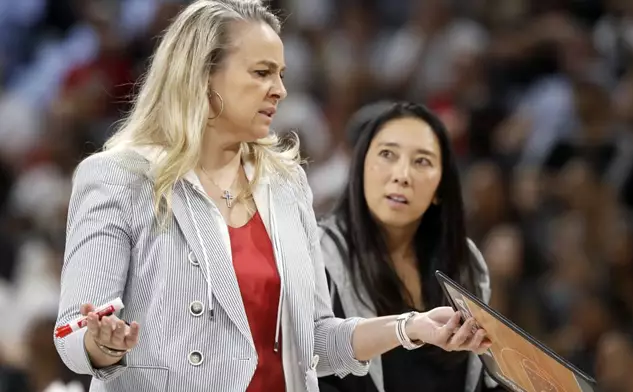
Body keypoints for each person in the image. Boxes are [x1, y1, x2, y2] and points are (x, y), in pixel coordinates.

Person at [53, 1, 491, 392]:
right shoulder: (117, 178)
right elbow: (72, 336)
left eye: (281, 75)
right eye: (262, 73)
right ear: (203, 76)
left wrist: (411, 326)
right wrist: (100, 342)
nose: (279, 90)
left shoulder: (286, 183)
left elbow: (317, 339)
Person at [318, 101, 501, 392]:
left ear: (441, 188)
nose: (402, 175)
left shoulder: (465, 260)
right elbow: (301, 368)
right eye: (387, 154)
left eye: (422, 161)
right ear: (360, 167)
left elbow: (482, 377)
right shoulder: (317, 253)